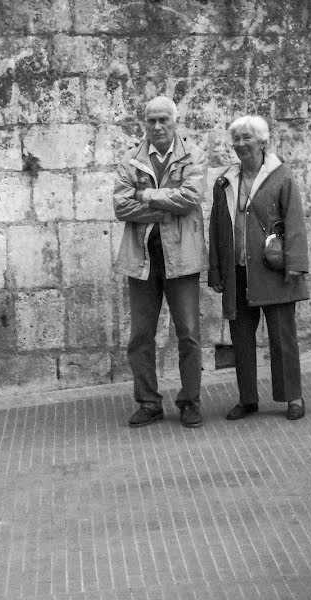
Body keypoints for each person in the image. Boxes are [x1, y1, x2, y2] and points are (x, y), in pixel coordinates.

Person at [113, 96, 209, 429]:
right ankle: (149, 402)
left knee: (189, 334)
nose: (157, 127)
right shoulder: (130, 159)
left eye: (163, 120)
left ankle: (190, 402)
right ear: (145, 123)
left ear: (175, 121)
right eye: (151, 120)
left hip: (181, 257)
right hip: (141, 258)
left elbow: (190, 198)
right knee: (140, 336)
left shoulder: (192, 154)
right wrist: (165, 202)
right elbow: (121, 207)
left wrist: (145, 196)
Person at [207, 115, 310, 421]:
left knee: (283, 338)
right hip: (237, 272)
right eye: (236, 139)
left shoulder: (282, 176)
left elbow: (295, 222)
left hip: (274, 270)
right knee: (241, 339)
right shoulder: (225, 181)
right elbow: (217, 227)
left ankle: (293, 397)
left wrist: (296, 265)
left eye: (247, 138)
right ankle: (248, 399)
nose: (240, 145)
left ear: (263, 142)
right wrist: (216, 270)